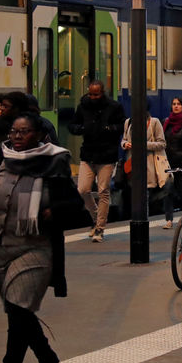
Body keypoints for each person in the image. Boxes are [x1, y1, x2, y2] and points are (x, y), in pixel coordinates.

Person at [0, 113, 85, 363]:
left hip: (37, 247)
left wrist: (54, 210)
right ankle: (46, 355)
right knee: (20, 311)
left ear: (39, 134)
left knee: (17, 311)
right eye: (14, 132)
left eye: (24, 132)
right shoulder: (1, 160)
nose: (16, 137)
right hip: (3, 246)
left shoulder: (55, 161)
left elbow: (75, 204)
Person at [67, 81, 125, 243]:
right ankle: (95, 218)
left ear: (103, 92)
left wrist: (109, 129)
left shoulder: (114, 107)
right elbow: (73, 124)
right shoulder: (83, 106)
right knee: (83, 189)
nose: (93, 97)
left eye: (96, 94)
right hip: (88, 153)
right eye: (91, 94)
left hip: (107, 154)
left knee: (103, 191)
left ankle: (100, 227)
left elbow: (122, 125)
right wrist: (81, 129)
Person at [121, 103, 171, 215]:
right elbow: (124, 139)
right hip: (132, 165)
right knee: (135, 196)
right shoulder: (128, 122)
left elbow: (162, 144)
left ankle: (143, 223)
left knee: (144, 197)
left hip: (148, 165)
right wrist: (125, 144)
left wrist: (142, 144)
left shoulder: (154, 122)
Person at [163, 97, 182, 228]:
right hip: (168, 162)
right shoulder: (166, 122)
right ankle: (169, 220)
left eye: (178, 104)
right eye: (174, 104)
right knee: (168, 190)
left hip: (181, 163)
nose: (176, 106)